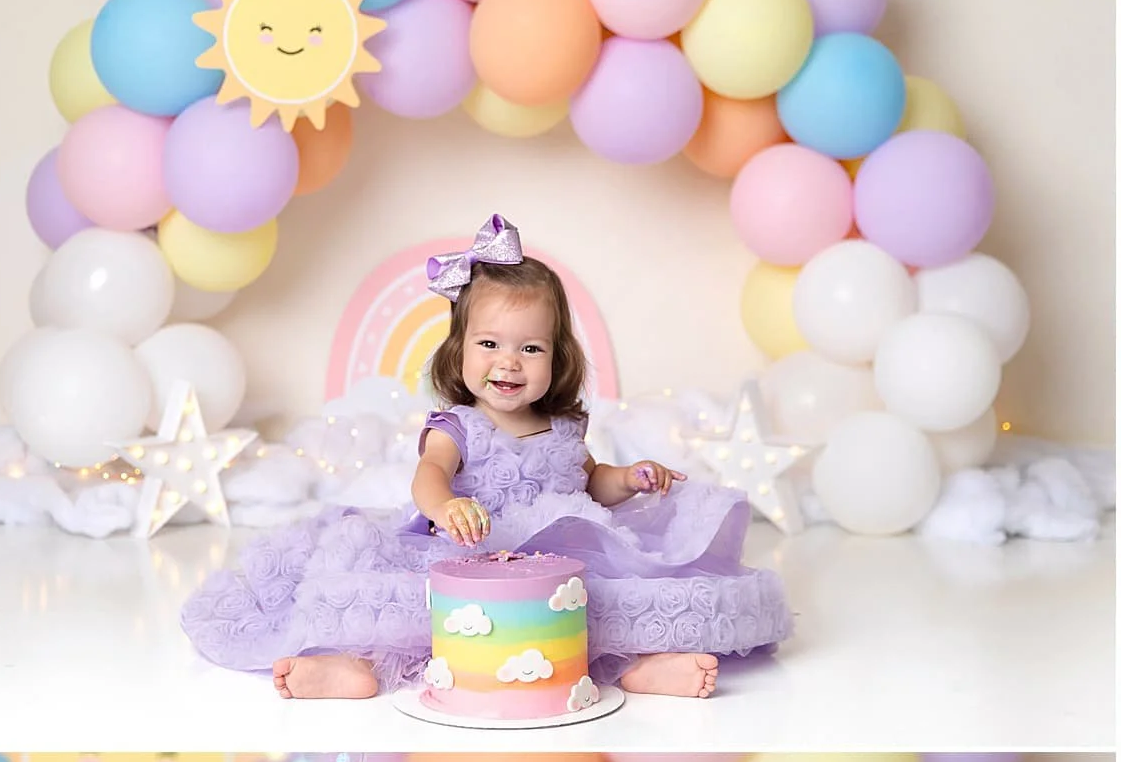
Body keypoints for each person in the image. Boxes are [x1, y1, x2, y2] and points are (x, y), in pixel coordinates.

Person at [180, 214, 792, 700]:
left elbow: (590, 484)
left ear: (557, 356)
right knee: (421, 612)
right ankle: (352, 666)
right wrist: (445, 507)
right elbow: (429, 476)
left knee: (601, 605)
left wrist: (629, 479)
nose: (509, 362)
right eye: (490, 343)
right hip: (465, 552)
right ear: (460, 348)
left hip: (559, 564)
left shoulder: (562, 428)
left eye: (530, 347)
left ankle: (642, 667)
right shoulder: (458, 426)